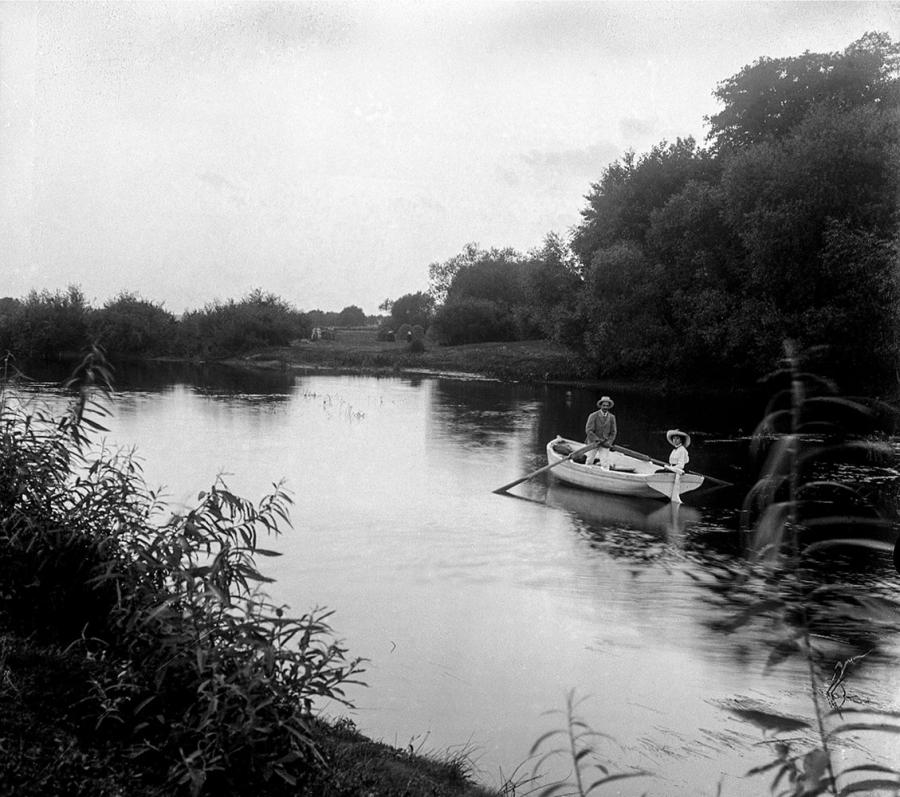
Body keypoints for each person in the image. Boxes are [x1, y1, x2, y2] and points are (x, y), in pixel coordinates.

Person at [585, 396, 617, 468]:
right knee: (589, 460)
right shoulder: (593, 415)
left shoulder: (612, 417)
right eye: (604, 405)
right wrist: (597, 439)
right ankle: (586, 474)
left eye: (607, 406)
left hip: (605, 443)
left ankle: (606, 474)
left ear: (609, 407)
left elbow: (613, 432)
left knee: (605, 463)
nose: (605, 407)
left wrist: (609, 442)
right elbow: (588, 430)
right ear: (601, 406)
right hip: (593, 442)